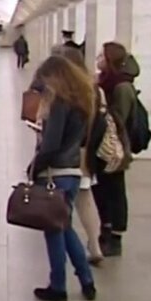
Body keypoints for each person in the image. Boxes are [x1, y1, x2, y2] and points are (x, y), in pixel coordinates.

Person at [27, 55, 97, 301]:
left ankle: (58, 286)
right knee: (64, 227)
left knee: (54, 231)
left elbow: (52, 144)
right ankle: (87, 280)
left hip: (55, 174)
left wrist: (34, 167)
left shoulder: (59, 103)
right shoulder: (82, 100)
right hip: (73, 172)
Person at [53, 46, 105, 265]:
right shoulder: (94, 88)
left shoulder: (68, 91)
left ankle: (73, 248)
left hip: (71, 153)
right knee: (86, 197)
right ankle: (95, 245)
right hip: (87, 151)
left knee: (64, 203)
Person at [93, 42, 140, 257]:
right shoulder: (106, 82)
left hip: (115, 147)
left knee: (115, 191)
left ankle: (115, 236)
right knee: (101, 189)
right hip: (101, 145)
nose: (98, 59)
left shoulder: (121, 87)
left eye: (102, 55)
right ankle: (105, 229)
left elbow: (119, 120)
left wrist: (102, 108)